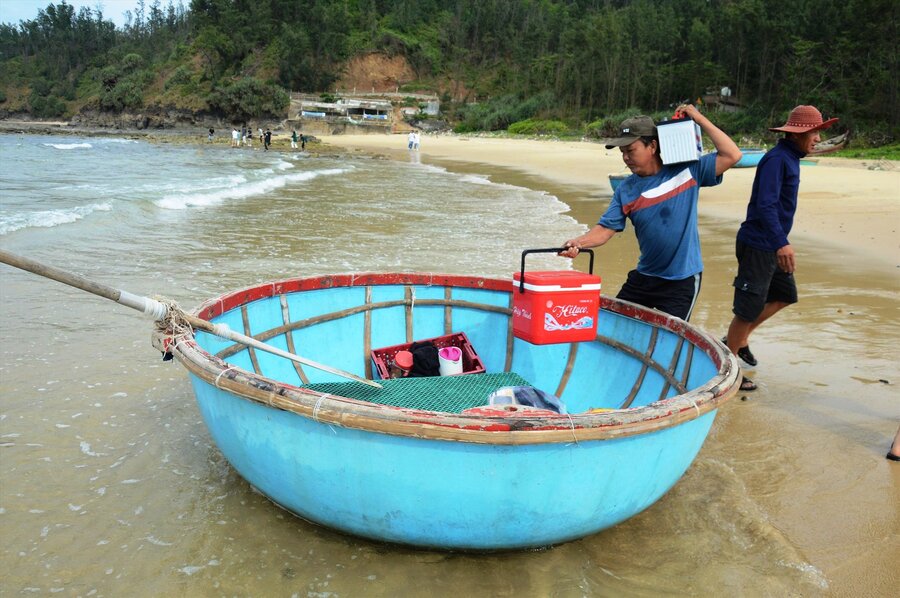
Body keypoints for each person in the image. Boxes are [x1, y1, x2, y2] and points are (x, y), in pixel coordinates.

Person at [560, 105, 741, 321]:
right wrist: (579, 243)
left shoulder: (688, 171)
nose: (626, 158)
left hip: (681, 281)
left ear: (652, 146)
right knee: (614, 323)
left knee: (671, 340)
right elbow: (606, 229)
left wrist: (698, 118)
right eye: (622, 153)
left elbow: (733, 154)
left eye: (631, 150)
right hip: (645, 277)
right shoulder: (626, 189)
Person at [724, 105, 837, 391]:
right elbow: (765, 205)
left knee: (785, 295)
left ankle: (737, 340)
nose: (817, 139)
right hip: (759, 245)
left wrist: (780, 243)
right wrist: (781, 243)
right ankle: (730, 369)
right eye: (814, 132)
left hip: (772, 243)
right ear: (798, 133)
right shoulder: (777, 160)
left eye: (819, 133)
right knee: (747, 309)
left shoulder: (792, 156)